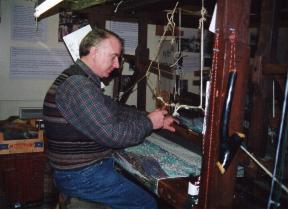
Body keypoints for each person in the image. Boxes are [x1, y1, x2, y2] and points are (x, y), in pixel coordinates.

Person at [43, 27, 176, 209]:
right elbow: (114, 135)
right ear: (94, 51)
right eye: (113, 57)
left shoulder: (78, 78)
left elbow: (114, 108)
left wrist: (151, 116)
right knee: (147, 202)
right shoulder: (80, 86)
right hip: (81, 175)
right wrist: (150, 122)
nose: (117, 65)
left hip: (77, 171)